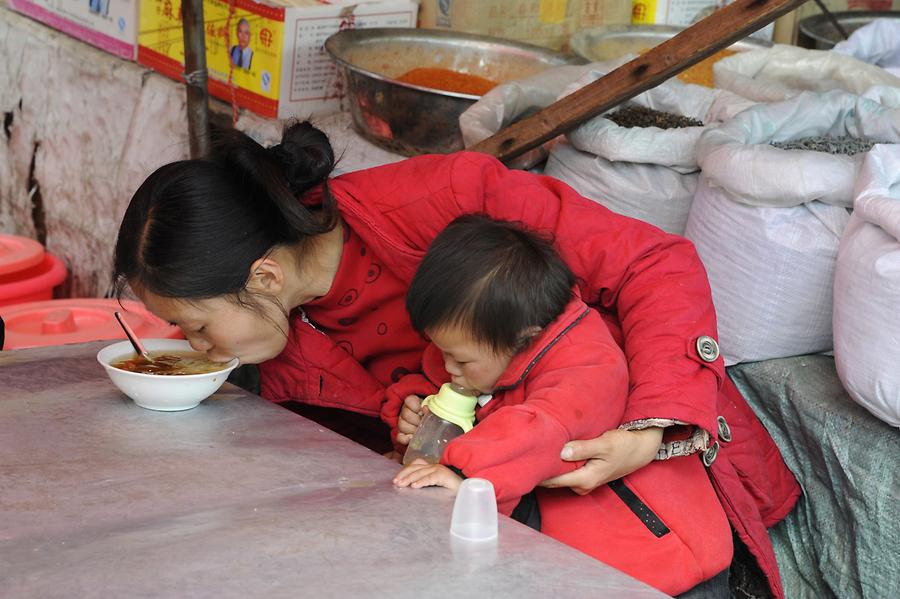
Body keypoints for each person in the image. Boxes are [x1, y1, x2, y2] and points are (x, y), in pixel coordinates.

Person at [113, 122, 799, 599]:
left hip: (640, 504)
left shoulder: (443, 203)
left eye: (195, 325)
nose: (197, 348)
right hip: (508, 534)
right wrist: (408, 415)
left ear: (263, 276)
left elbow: (655, 263)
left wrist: (651, 429)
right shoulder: (286, 345)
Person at [391, 214, 733, 596]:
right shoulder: (488, 345)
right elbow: (436, 374)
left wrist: (462, 474)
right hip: (585, 559)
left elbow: (540, 428)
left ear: (524, 337)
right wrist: (413, 409)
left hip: (662, 563)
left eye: (461, 360)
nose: (448, 367)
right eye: (441, 351)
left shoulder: (585, 365)